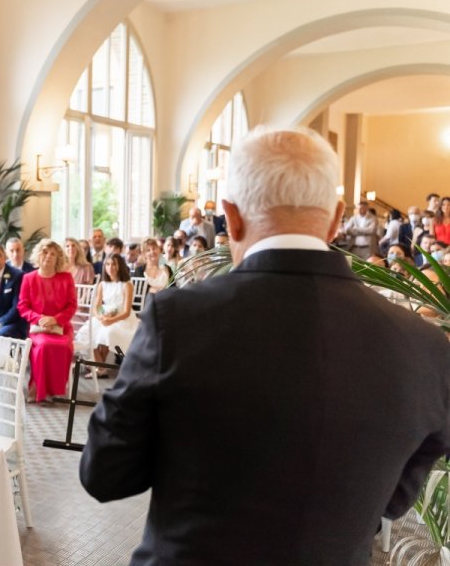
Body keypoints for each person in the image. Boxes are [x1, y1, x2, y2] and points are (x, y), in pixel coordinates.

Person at [80, 127, 450, 565]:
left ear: (231, 217)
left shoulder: (178, 319)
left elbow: (105, 475)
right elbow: (394, 495)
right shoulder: (426, 345)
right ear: (334, 219)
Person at [17, 239, 77, 404]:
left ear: (58, 258)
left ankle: (55, 390)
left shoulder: (66, 278)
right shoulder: (28, 278)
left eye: (53, 254)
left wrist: (55, 319)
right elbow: (23, 306)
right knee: (43, 346)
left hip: (61, 327)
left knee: (62, 346)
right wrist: (40, 319)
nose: (48, 256)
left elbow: (72, 306)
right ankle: (39, 388)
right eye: (45, 252)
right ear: (38, 254)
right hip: (38, 328)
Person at [75, 254, 140, 379]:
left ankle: (100, 367)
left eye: (114, 264)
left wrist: (111, 320)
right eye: (108, 264)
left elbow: (126, 311)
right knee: (87, 332)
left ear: (120, 266)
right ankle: (101, 367)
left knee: (106, 333)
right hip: (105, 316)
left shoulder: (127, 285)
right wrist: (100, 316)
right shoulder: (102, 284)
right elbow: (96, 306)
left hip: (122, 319)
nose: (111, 267)